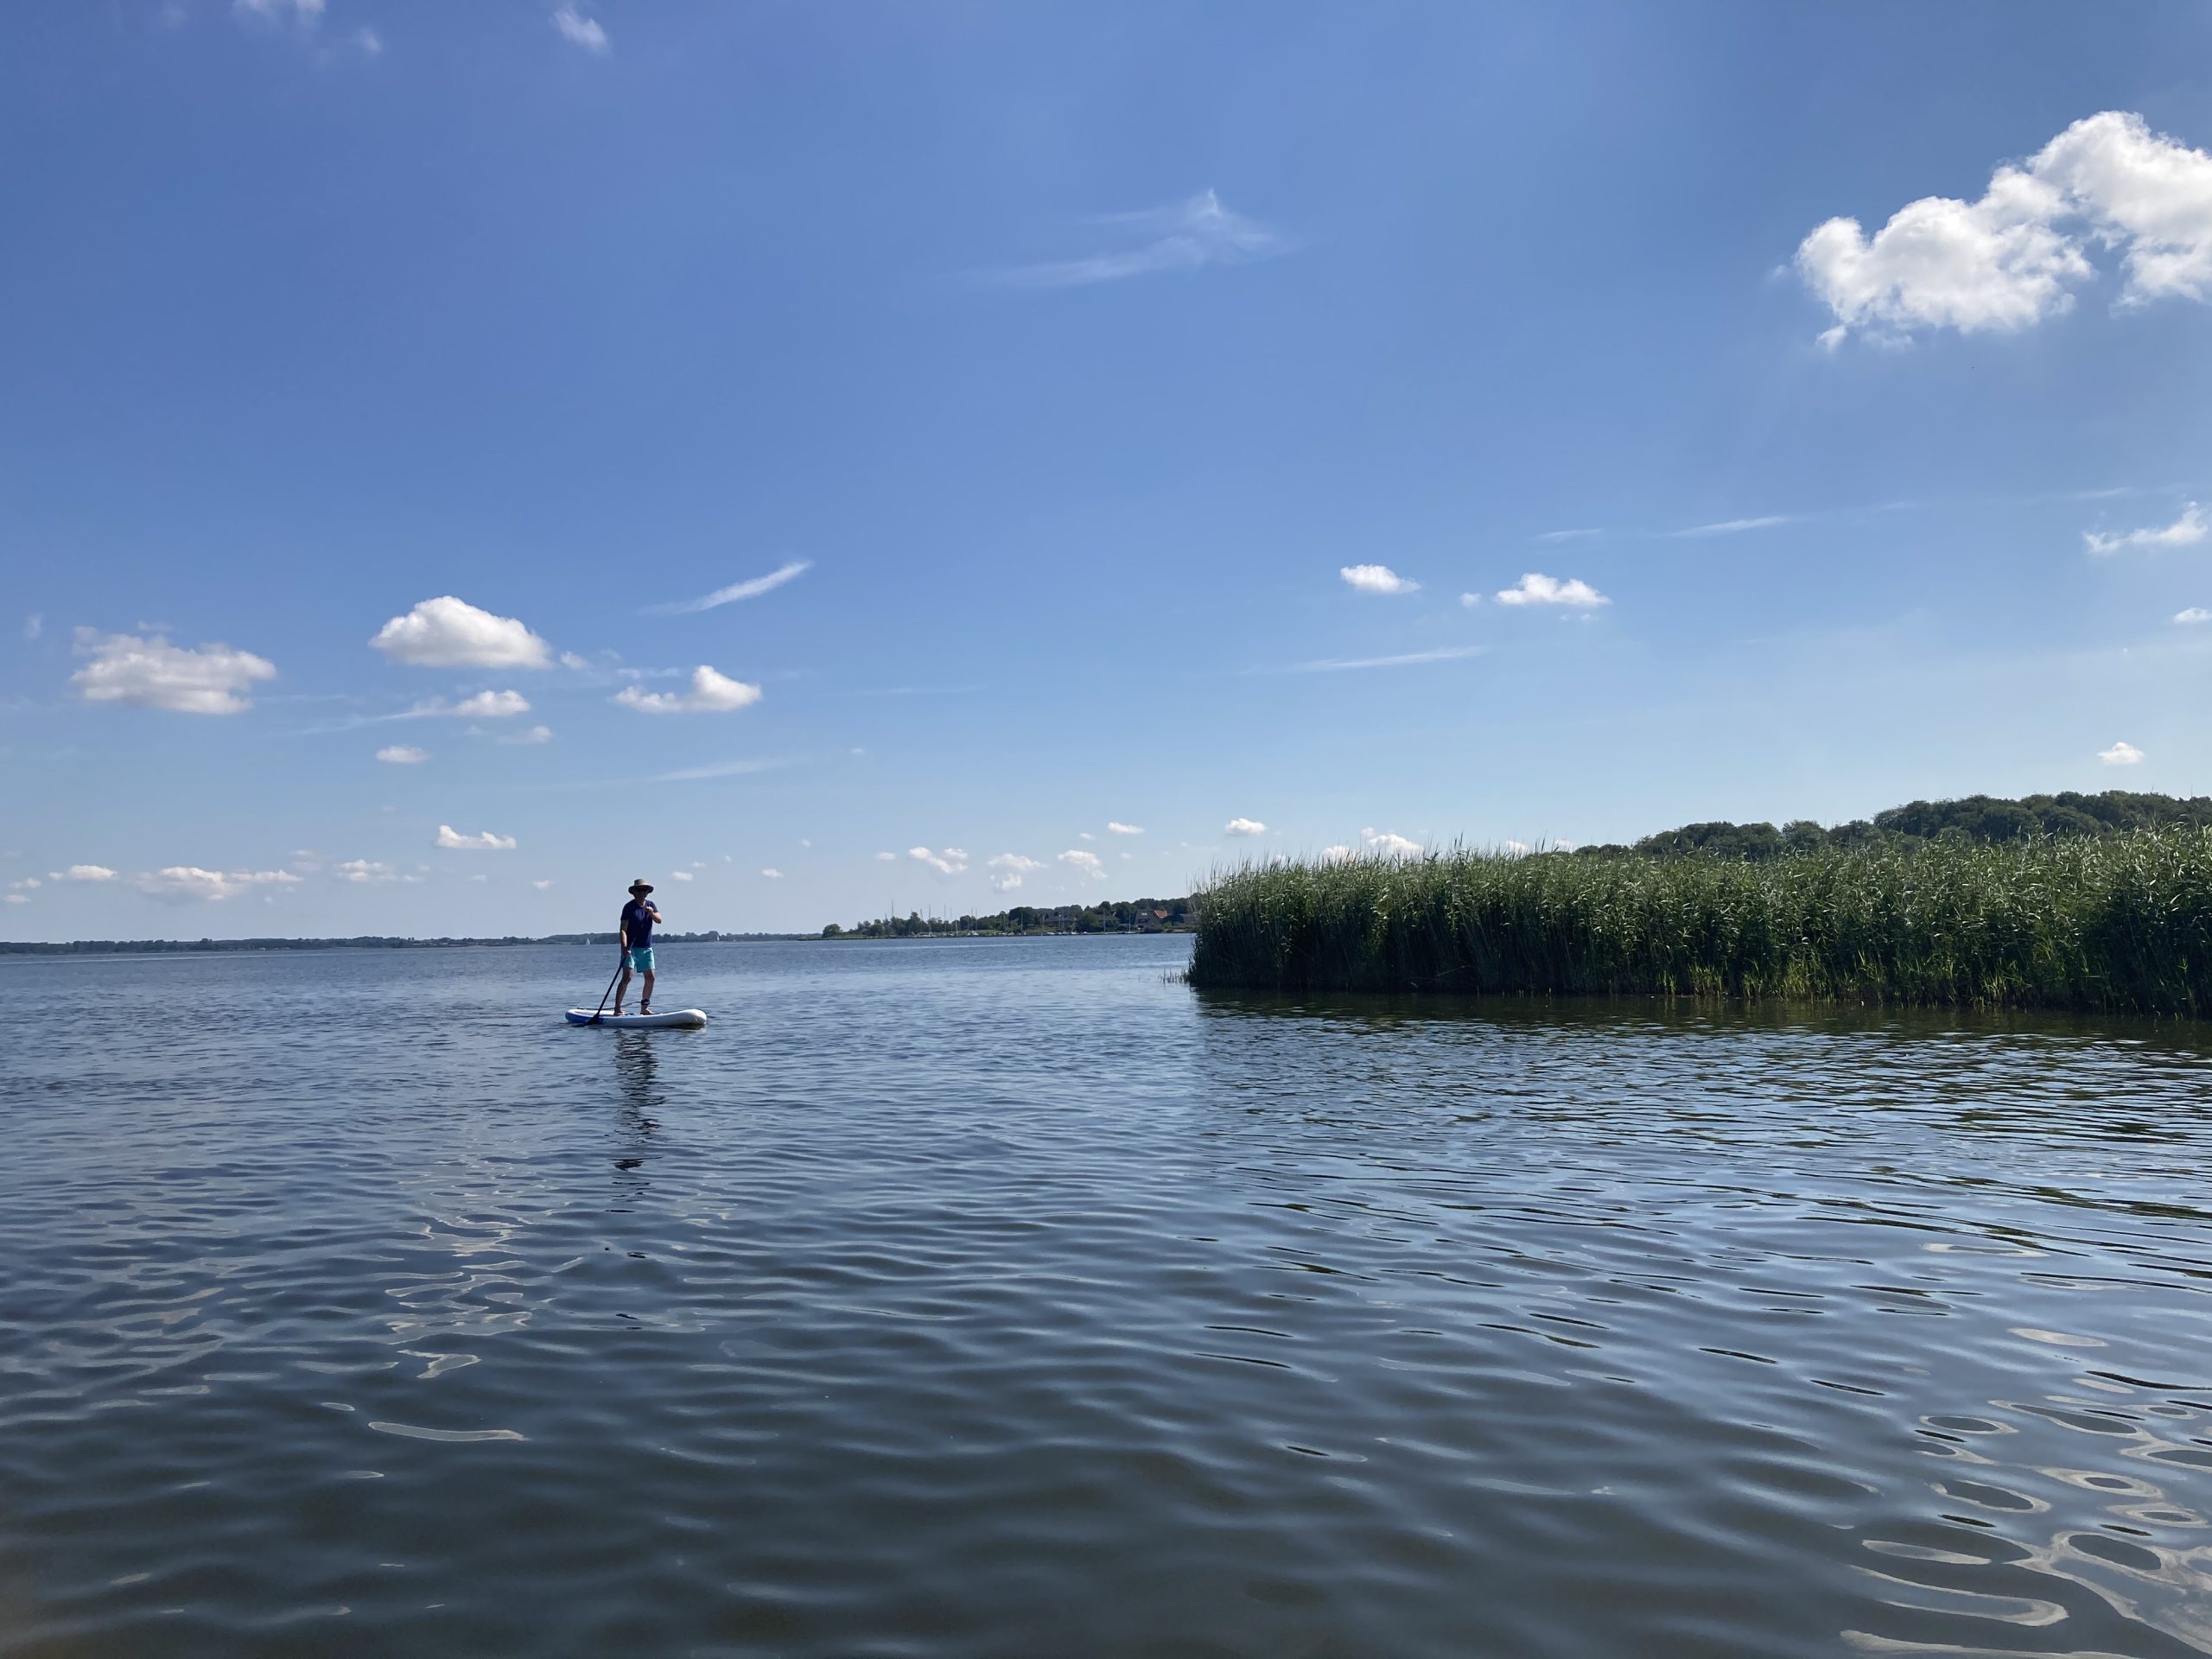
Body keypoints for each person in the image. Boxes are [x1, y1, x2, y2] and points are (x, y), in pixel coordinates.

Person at [614, 878, 662, 1015]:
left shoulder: (651, 905)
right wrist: (624, 946)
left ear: (647, 892)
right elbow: (623, 929)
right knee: (627, 977)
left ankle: (644, 1007)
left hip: (646, 948)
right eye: (639, 890)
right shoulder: (629, 907)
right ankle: (617, 1008)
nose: (642, 893)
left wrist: (651, 913)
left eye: (644, 890)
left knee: (651, 977)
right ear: (634, 892)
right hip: (630, 948)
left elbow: (659, 920)